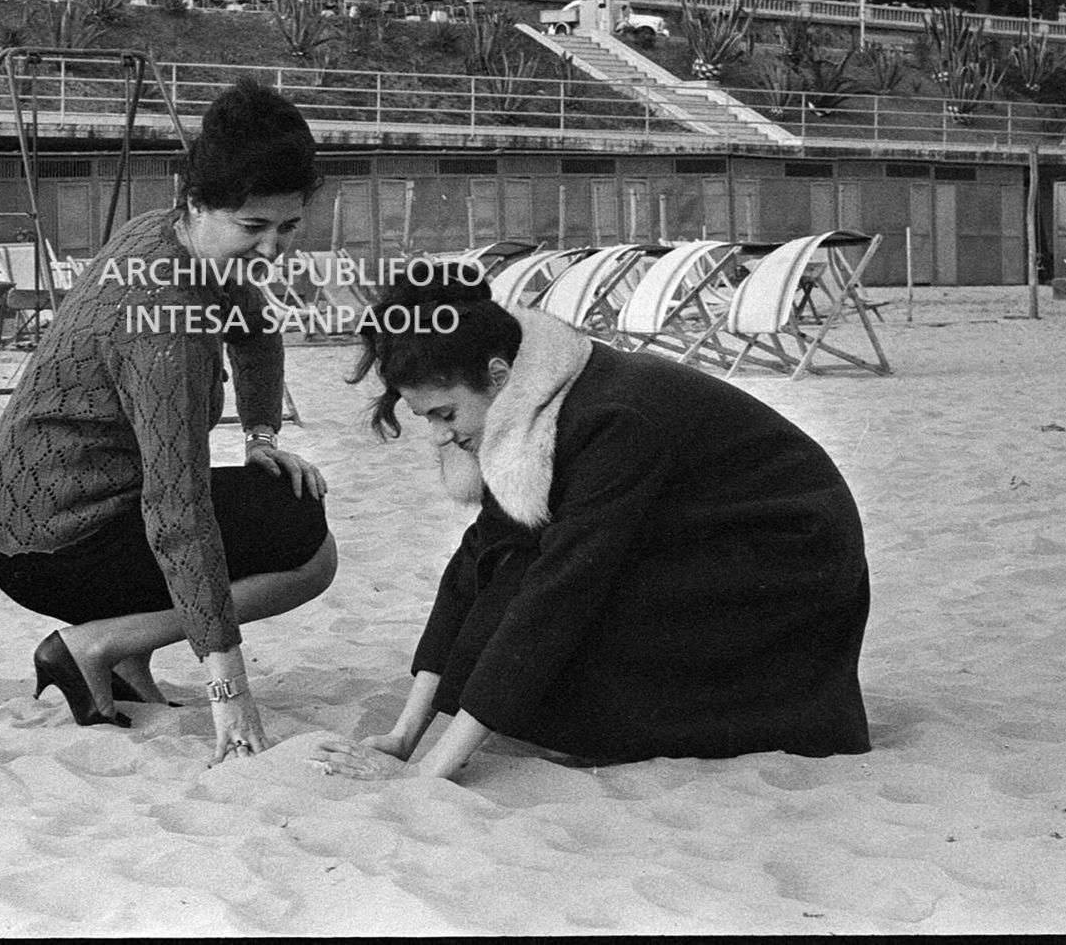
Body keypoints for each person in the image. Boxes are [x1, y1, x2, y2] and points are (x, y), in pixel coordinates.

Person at [311, 265, 871, 784]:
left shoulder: (611, 420)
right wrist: (403, 739)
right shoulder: (533, 398)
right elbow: (478, 560)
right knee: (516, 579)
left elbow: (561, 591)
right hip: (698, 536)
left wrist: (432, 773)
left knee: (554, 643)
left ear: (499, 375)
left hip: (789, 565)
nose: (438, 436)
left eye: (445, 414)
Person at [0, 80, 336, 764]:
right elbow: (177, 509)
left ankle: (124, 660)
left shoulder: (167, 234)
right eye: (253, 227)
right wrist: (229, 692)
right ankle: (95, 646)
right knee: (309, 555)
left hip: (43, 517)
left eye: (288, 227)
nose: (272, 250)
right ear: (199, 204)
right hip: (51, 547)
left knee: (286, 501)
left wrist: (261, 438)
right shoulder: (166, 322)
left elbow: (258, 333)